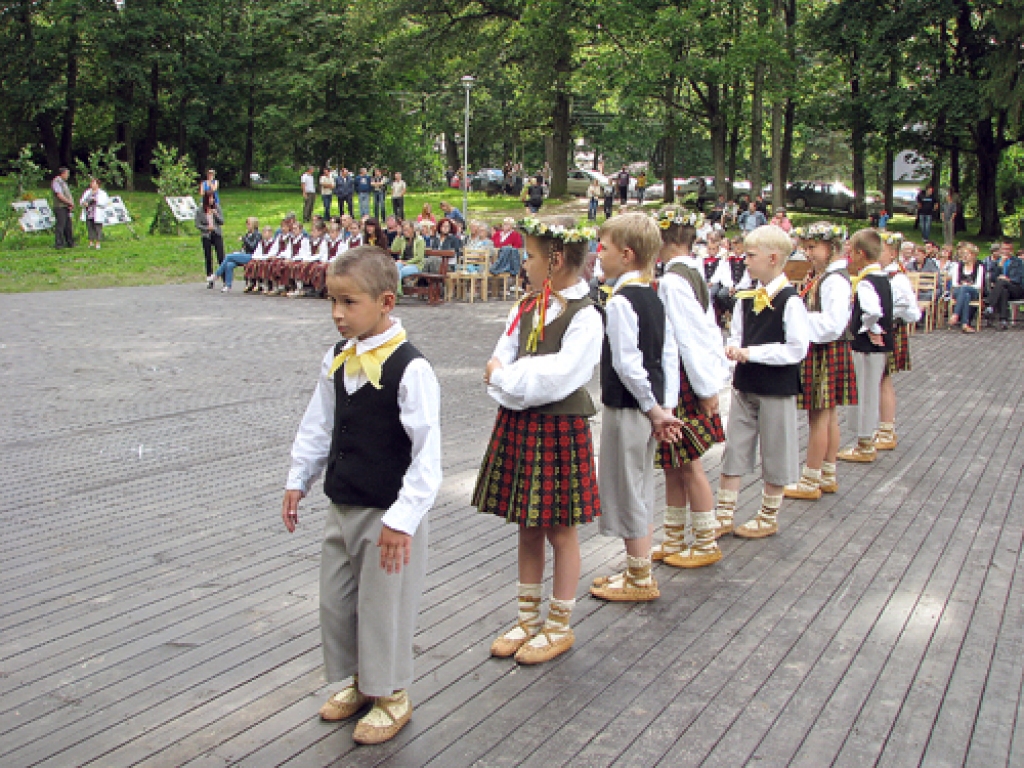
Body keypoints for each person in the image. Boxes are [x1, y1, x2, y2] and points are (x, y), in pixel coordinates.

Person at [282, 246, 440, 745]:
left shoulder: (411, 369)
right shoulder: (337, 358)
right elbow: (319, 422)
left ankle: (391, 692)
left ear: (385, 301)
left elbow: (427, 455)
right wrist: (298, 477)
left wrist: (404, 517)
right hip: (343, 502)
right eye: (332, 302)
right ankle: (358, 681)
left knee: (383, 606)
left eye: (348, 303)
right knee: (338, 601)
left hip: (388, 513)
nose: (336, 314)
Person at [473, 217, 603, 664]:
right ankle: (527, 618)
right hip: (522, 424)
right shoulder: (525, 307)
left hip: (558, 427)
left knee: (560, 528)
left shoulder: (585, 316)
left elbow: (560, 378)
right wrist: (507, 378)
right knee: (527, 523)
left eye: (528, 256)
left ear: (556, 259)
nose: (522, 263)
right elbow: (497, 357)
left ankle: (558, 623)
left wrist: (507, 379)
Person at [588, 214, 681, 601]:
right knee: (639, 483)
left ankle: (639, 577)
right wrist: (664, 406)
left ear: (626, 255)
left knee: (627, 486)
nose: (599, 254)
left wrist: (650, 406)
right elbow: (668, 354)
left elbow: (627, 362)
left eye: (604, 248)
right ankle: (636, 569)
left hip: (630, 408)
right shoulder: (652, 296)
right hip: (649, 406)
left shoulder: (623, 302)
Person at [714, 225, 810, 539]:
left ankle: (769, 515)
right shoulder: (746, 298)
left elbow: (797, 348)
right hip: (746, 383)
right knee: (736, 445)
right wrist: (734, 346)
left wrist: (750, 352)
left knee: (776, 448)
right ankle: (724, 512)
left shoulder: (790, 301)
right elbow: (739, 332)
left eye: (751, 256)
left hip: (776, 386)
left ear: (772, 258)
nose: (745, 261)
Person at [648, 209, 729, 568]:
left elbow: (689, 337)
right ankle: (675, 536)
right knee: (674, 462)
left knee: (689, 463)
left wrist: (705, 387)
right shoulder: (693, 270)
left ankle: (706, 539)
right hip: (686, 376)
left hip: (683, 379)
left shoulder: (673, 281)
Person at [783, 223, 857, 501]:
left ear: (832, 247)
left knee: (819, 417)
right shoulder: (827, 276)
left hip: (826, 351)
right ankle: (827, 473)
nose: (808, 253)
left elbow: (832, 325)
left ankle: (810, 478)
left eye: (813, 247)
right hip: (827, 351)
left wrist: (797, 320)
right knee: (827, 416)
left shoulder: (834, 280)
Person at [837, 229, 893, 463]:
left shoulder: (866, 283)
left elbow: (872, 311)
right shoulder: (884, 278)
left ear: (860, 253)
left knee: (864, 391)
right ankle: (865, 440)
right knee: (868, 390)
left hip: (866, 347)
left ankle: (864, 443)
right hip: (877, 347)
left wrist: (871, 329)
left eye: (851, 252)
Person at [874, 232, 921, 451]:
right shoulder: (880, 275)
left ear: (893, 253)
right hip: (882, 329)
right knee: (880, 380)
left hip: (888, 330)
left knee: (884, 379)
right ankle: (884, 427)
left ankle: (886, 429)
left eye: (881, 250)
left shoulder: (897, 278)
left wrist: (889, 314)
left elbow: (912, 311)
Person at [213, 216, 260, 292]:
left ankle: (217, 274)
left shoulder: (257, 235)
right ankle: (228, 285)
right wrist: (239, 252)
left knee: (228, 257)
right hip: (244, 255)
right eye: (247, 224)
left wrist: (244, 239)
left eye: (249, 224)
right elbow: (245, 247)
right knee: (229, 264)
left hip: (251, 256)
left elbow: (253, 246)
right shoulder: (248, 234)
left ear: (254, 225)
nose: (247, 226)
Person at [985, 239, 1024, 330]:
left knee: (1002, 283)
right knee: (1003, 290)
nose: (1005, 251)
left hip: (1016, 289)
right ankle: (1003, 321)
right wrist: (1000, 265)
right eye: (1003, 249)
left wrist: (1007, 279)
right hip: (1002, 289)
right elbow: (993, 278)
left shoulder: (1018, 262)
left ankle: (990, 305)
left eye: (1008, 249)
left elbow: (1017, 279)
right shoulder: (996, 262)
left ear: (1012, 250)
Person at [949, 242, 984, 332]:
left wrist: (968, 285)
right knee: (965, 295)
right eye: (963, 254)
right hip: (958, 290)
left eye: (967, 254)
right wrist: (963, 285)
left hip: (974, 290)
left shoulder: (979, 267)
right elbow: (954, 283)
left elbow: (978, 285)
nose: (964, 256)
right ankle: (965, 324)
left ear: (973, 255)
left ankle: (956, 314)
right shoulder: (957, 266)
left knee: (965, 290)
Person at [197, 191, 226, 285]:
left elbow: (222, 221)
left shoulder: (217, 207)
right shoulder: (200, 210)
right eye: (209, 198)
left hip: (216, 233)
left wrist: (216, 214)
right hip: (206, 235)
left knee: (221, 256)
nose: (211, 200)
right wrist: (206, 228)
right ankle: (210, 278)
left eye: (213, 198)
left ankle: (224, 278)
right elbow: (198, 224)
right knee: (208, 257)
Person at [391, 220, 425, 295]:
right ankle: (397, 291)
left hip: (416, 265)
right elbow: (394, 249)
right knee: (395, 267)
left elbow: (419, 257)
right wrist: (398, 236)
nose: (405, 232)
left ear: (412, 229)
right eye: (404, 230)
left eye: (407, 229)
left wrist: (406, 262)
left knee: (399, 271)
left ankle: (396, 292)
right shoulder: (403, 239)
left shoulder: (420, 240)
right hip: (403, 263)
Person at [245, 225, 281, 293]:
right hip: (262, 258)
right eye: (263, 232)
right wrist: (257, 258)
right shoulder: (261, 242)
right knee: (251, 263)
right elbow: (256, 252)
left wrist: (262, 258)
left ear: (270, 233)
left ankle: (268, 285)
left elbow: (272, 253)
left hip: (270, 259)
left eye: (265, 232)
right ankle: (253, 283)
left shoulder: (274, 242)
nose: (264, 234)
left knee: (265, 265)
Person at [79, 177, 109, 249]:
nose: (92, 185)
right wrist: (84, 203)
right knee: (90, 228)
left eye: (94, 183)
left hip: (97, 213)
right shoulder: (87, 192)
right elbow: (81, 201)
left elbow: (105, 203)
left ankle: (98, 243)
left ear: (98, 185)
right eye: (91, 183)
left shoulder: (102, 193)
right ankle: (91, 242)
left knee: (97, 228)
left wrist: (96, 201)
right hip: (89, 212)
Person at [51, 167, 75, 249]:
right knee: (60, 225)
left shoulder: (64, 183)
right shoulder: (56, 182)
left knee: (68, 225)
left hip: (66, 207)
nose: (68, 176)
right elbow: (59, 195)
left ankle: (70, 242)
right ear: (63, 174)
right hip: (60, 207)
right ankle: (59, 243)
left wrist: (70, 204)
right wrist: (69, 202)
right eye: (67, 174)